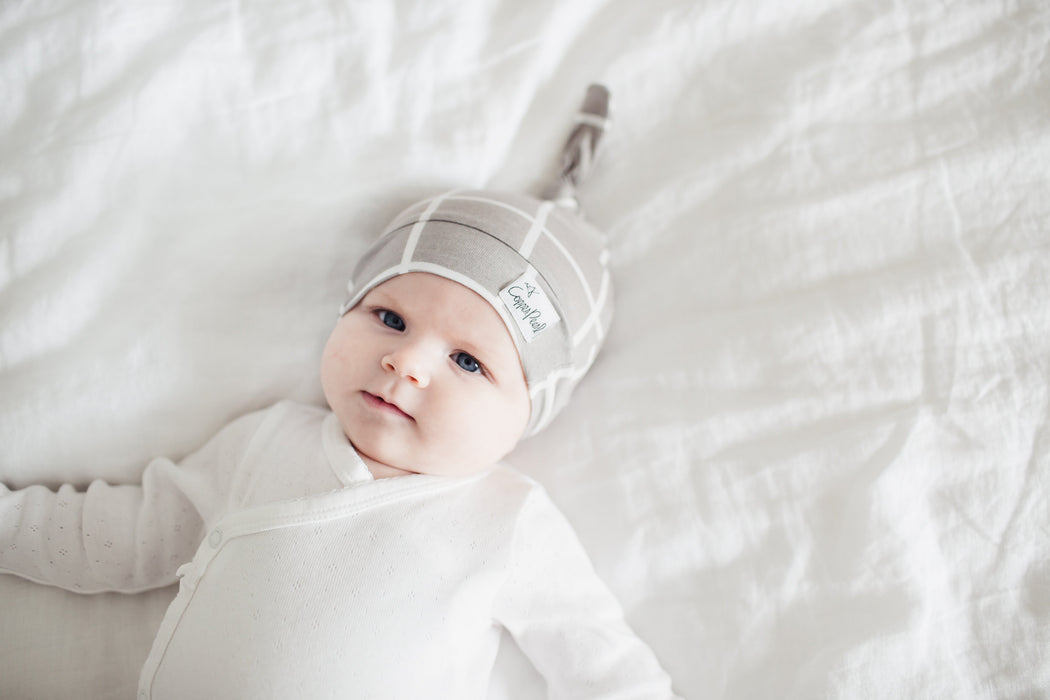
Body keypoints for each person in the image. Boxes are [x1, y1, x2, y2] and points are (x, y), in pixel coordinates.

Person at [0, 86, 680, 698]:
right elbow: (127, 535)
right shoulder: (264, 442)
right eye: (389, 318)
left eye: (468, 361)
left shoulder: (508, 523)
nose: (406, 362)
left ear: (529, 415)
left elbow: (604, 667)